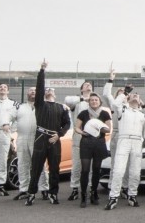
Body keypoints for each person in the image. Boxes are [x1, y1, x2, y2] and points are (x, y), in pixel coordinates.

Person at [25, 61, 71, 206]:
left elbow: (67, 124)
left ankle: (53, 194)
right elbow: (39, 87)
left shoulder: (61, 108)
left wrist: (59, 134)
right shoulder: (40, 104)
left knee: (55, 168)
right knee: (36, 167)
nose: (49, 90)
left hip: (55, 139)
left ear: (55, 94)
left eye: (52, 89)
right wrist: (42, 71)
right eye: (47, 89)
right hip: (40, 138)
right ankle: (31, 193)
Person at [105, 91, 145, 210]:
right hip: (123, 140)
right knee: (118, 170)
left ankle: (132, 195)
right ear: (127, 99)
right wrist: (125, 94)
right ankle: (113, 196)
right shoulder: (123, 111)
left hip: (136, 142)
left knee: (135, 171)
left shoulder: (142, 115)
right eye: (132, 95)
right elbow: (115, 104)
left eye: (137, 95)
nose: (135, 96)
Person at [74, 92, 111, 207]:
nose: (94, 101)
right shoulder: (84, 113)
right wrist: (82, 132)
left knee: (96, 170)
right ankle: (83, 195)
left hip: (99, 143)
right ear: (89, 102)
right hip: (86, 142)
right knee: (85, 170)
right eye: (92, 100)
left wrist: (98, 128)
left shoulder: (104, 113)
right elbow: (76, 127)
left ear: (100, 102)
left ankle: (94, 193)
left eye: (96, 100)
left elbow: (108, 129)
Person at [12, 87, 49, 201]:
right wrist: (6, 124)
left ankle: (44, 189)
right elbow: (10, 117)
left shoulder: (43, 106)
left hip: (37, 138)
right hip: (22, 137)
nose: (33, 92)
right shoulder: (20, 107)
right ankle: (24, 189)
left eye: (36, 90)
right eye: (30, 90)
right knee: (23, 164)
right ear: (27, 93)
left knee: (40, 164)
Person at [65, 79, 93, 201]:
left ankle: (91, 188)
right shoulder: (76, 101)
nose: (88, 86)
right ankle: (75, 189)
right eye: (86, 85)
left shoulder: (95, 101)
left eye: (90, 85)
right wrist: (83, 99)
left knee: (91, 165)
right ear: (81, 89)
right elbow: (67, 101)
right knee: (76, 164)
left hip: (92, 136)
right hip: (78, 135)